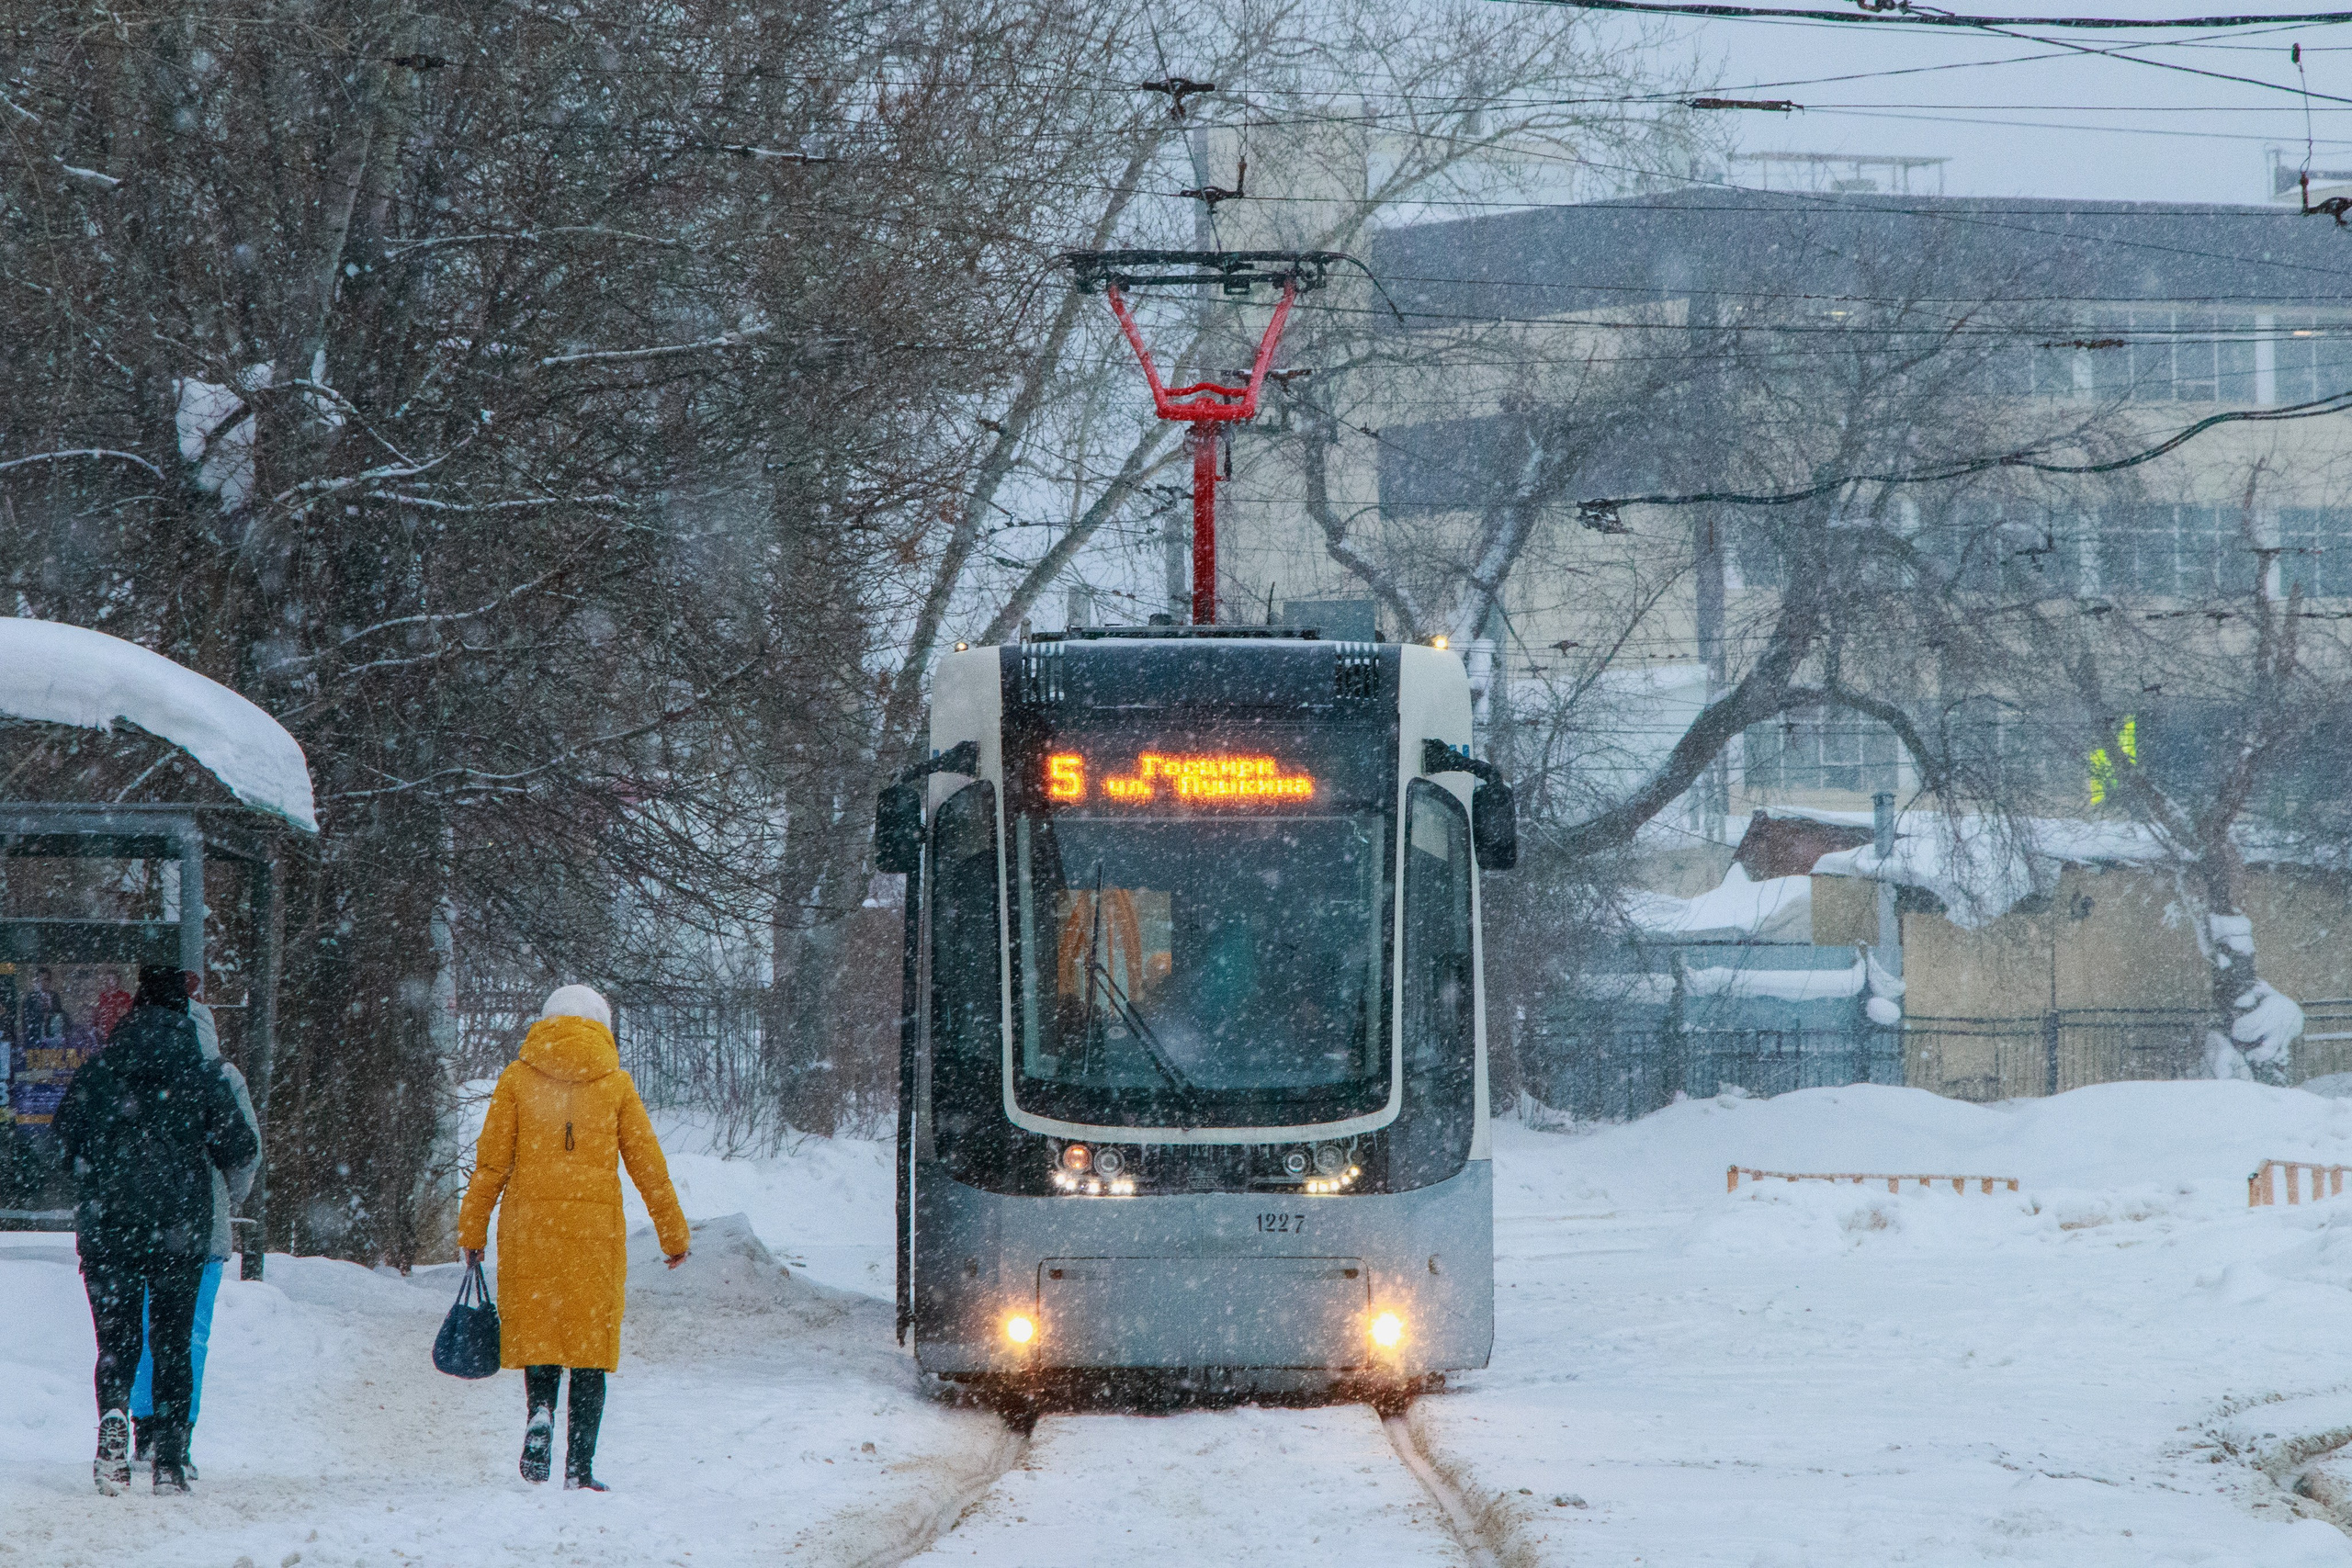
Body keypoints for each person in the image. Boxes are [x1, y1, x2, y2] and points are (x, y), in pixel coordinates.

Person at [457, 985, 689, 1492]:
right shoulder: (616, 1085)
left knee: (541, 1335)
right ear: (600, 1026)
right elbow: (650, 1168)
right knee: (588, 1350)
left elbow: (492, 1165)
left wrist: (472, 1231)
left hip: (530, 1233)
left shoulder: (517, 1080)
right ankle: (579, 1469)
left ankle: (540, 1412)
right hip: (593, 1239)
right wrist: (674, 1236)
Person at [55, 965, 256, 1495]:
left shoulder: (100, 1070)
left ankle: (114, 1422)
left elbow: (61, 1145)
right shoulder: (203, 1075)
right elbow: (240, 1149)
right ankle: (168, 1457)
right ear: (183, 1016)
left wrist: (97, 1175)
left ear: (133, 1010)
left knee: (115, 1344)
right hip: (178, 1233)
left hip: (107, 1231)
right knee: (171, 1343)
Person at [127, 971, 260, 1474]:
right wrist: (224, 1196)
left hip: (133, 1223)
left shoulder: (128, 1063)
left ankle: (141, 1429)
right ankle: (176, 1434)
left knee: (135, 1327)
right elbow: (247, 1155)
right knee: (189, 1335)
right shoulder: (222, 1074)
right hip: (201, 1230)